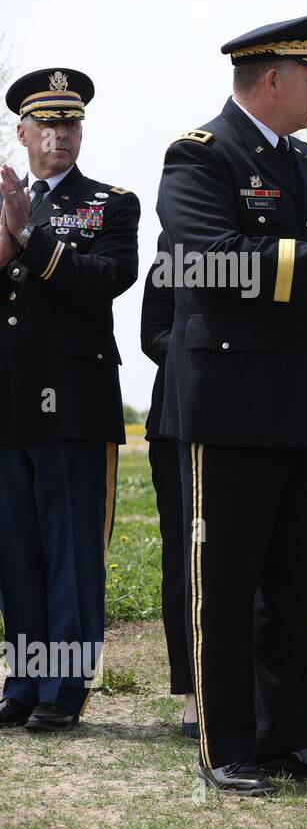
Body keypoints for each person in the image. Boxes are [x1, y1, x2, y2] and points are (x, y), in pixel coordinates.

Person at [154, 12, 307, 795]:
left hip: (298, 400)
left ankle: (289, 739)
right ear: (273, 79)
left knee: (296, 581)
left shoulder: (306, 160)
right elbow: (204, 261)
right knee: (223, 583)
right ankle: (226, 746)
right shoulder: (200, 156)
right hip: (228, 407)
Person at [0, 68, 139, 732]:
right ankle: (22, 681)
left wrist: (31, 238)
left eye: (72, 123)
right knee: (16, 551)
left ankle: (64, 689)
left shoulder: (111, 203)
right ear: (22, 132)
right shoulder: (3, 198)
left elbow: (105, 279)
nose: (61, 135)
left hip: (76, 405)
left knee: (72, 551)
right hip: (7, 404)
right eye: (48, 124)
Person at [141, 241, 195, 739]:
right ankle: (193, 692)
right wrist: (206, 358)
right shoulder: (170, 254)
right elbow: (151, 334)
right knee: (183, 558)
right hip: (178, 420)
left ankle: (258, 689)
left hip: (261, 423)